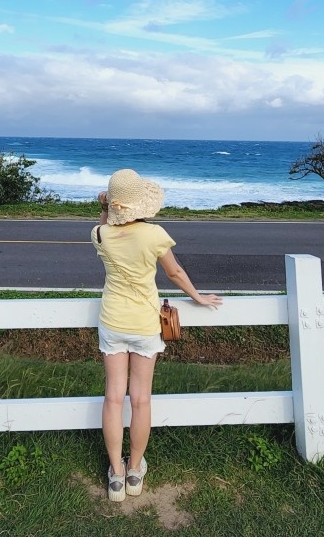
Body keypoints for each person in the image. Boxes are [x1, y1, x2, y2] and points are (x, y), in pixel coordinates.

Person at [91, 168, 223, 502]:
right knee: (140, 400)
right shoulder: (154, 235)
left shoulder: (99, 234)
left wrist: (106, 208)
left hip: (112, 322)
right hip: (144, 326)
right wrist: (197, 297)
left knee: (112, 398)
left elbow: (106, 224)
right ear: (140, 204)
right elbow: (175, 272)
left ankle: (116, 477)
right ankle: (135, 470)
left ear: (113, 203)